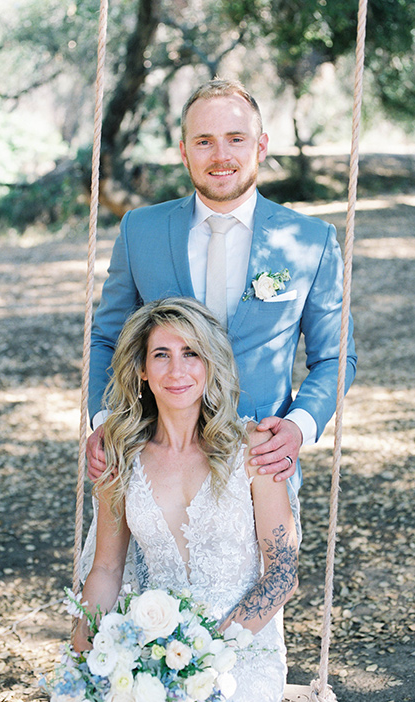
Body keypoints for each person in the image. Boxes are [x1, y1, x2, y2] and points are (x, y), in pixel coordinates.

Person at [87, 77, 357, 497]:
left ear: (261, 146)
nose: (221, 155)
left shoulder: (312, 240)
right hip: (152, 460)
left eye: (235, 138)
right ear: (183, 152)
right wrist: (103, 420)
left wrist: (299, 427)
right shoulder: (140, 230)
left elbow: (335, 357)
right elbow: (106, 338)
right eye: (204, 141)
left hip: (261, 465)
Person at [75, 297, 299, 702]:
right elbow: (106, 569)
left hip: (241, 648)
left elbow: (284, 573)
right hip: (149, 642)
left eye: (190, 353)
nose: (177, 371)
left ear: (209, 363)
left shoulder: (253, 448)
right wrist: (87, 650)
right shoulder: (121, 456)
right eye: (161, 355)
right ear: (141, 370)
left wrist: (212, 650)